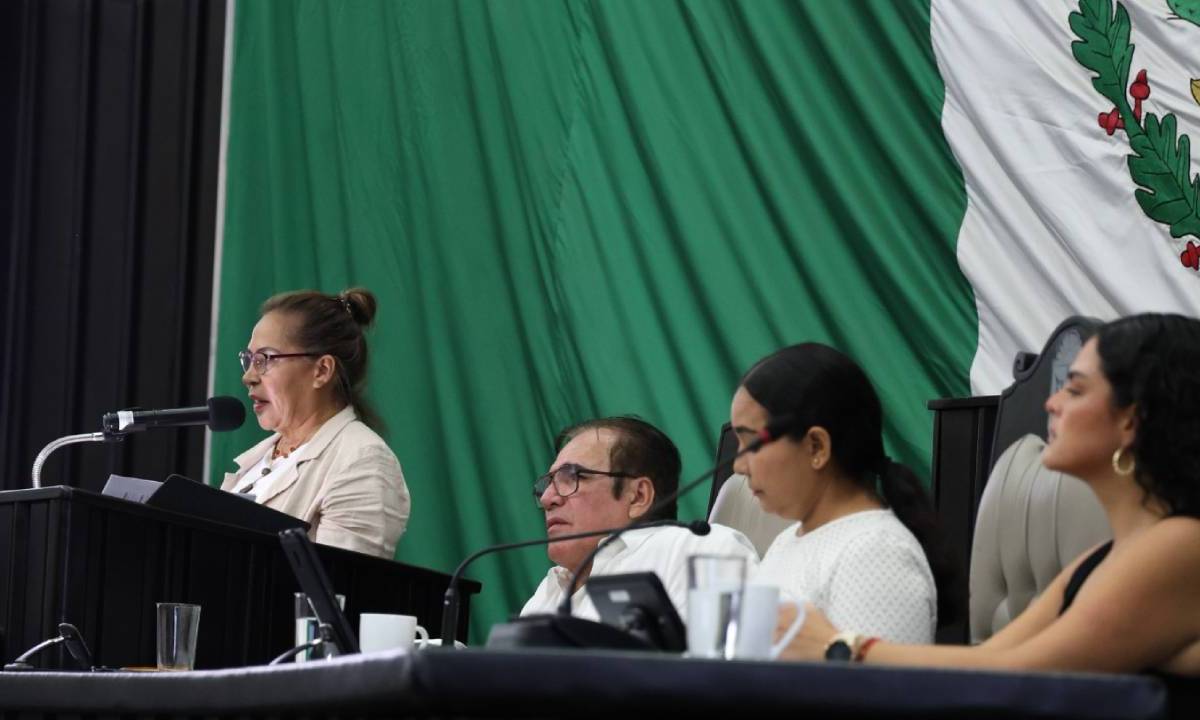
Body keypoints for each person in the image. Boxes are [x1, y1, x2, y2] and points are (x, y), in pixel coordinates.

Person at [775, 313, 1200, 678]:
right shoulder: (1097, 561)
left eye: (1074, 389)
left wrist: (839, 647)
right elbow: (988, 660)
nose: (1052, 403)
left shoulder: (1182, 545)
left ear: (1131, 419)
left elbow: (1022, 674)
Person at [730, 343, 955, 643]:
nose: (738, 465)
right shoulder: (787, 541)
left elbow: (874, 689)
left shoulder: (876, 553)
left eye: (751, 443)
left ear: (816, 447)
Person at [220, 288, 410, 559]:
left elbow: (340, 589)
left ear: (321, 371)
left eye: (265, 360)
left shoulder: (363, 461)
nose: (248, 377)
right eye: (249, 360)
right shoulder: (262, 459)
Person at [522, 416, 759, 621]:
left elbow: (727, 667)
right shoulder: (549, 590)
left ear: (638, 496)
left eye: (572, 477)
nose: (548, 499)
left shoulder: (697, 551)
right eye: (550, 483)